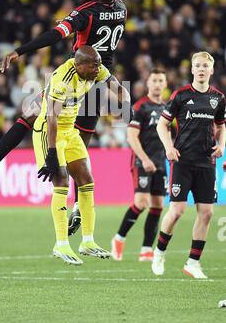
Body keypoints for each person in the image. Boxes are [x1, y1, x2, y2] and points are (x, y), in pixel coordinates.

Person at [0, 0, 127, 235]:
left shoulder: (86, 11)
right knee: (79, 149)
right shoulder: (121, 8)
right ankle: (78, 209)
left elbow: (55, 35)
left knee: (29, 116)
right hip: (102, 80)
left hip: (79, 75)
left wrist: (19, 51)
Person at [33, 46, 131, 265]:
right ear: (78, 65)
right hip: (50, 131)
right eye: (93, 65)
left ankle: (87, 241)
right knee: (61, 181)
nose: (98, 69)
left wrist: (127, 107)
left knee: (87, 182)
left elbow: (120, 89)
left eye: (98, 64)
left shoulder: (97, 70)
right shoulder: (62, 78)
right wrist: (50, 152)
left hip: (70, 131)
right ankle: (61, 243)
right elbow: (51, 118)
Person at [151, 52, 226, 279]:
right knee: (177, 212)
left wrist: (221, 146)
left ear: (211, 70)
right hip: (182, 161)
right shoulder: (181, 95)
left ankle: (193, 262)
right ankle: (159, 253)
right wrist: (168, 148)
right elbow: (162, 125)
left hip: (206, 162)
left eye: (205, 66)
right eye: (197, 66)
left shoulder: (218, 98)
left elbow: (222, 126)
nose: (201, 69)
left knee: (206, 213)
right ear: (192, 70)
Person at [111, 69, 168, 262]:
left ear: (166, 84)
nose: (158, 84)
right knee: (141, 202)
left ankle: (146, 249)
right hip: (141, 161)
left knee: (158, 206)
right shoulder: (140, 107)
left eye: (161, 80)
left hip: (160, 162)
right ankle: (119, 238)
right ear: (148, 84)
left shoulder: (167, 109)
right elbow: (131, 137)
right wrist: (144, 159)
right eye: (154, 80)